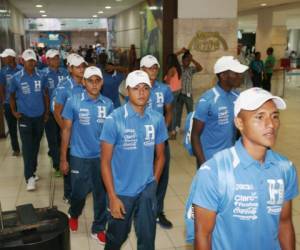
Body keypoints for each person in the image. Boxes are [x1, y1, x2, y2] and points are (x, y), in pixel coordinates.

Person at [190, 87, 298, 250]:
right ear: (239, 123)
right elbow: (203, 235)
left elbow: (284, 223)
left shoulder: (285, 168)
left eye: (274, 116)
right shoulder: (214, 172)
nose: (271, 124)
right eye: (260, 117)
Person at [100, 70, 168, 250]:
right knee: (115, 239)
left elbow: (161, 155)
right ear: (127, 91)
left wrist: (154, 182)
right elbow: (105, 162)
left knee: (147, 240)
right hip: (121, 192)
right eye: (136, 88)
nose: (141, 92)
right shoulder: (114, 120)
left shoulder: (156, 119)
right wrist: (113, 197)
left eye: (145, 88)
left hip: (146, 190)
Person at [60, 66, 113, 244]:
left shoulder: (108, 104)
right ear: (84, 82)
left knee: (101, 194)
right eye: (90, 80)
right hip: (79, 156)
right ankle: (74, 213)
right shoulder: (73, 101)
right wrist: (63, 158)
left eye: (98, 80)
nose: (94, 84)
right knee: (79, 193)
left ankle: (98, 228)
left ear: (102, 82)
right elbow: (66, 130)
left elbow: (112, 134)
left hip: (101, 158)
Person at [191, 56, 248, 167]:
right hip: (210, 161)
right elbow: (195, 136)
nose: (240, 76)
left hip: (230, 160)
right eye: (235, 73)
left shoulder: (238, 97)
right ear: (223, 76)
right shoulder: (207, 100)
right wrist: (203, 165)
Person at [140, 55, 174, 228]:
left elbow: (169, 110)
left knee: (161, 176)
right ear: (141, 69)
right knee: (141, 175)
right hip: (141, 141)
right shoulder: (137, 89)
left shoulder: (165, 89)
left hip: (160, 140)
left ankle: (158, 211)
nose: (153, 69)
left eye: (155, 67)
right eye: (149, 67)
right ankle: (140, 209)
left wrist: (163, 128)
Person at [10, 49, 49, 191]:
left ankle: (32, 170)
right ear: (23, 61)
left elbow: (45, 95)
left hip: (39, 117)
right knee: (27, 147)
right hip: (25, 117)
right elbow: (12, 95)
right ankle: (29, 178)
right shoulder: (16, 78)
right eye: (28, 60)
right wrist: (14, 111)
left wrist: (45, 113)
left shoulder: (42, 76)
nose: (32, 62)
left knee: (36, 146)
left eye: (33, 60)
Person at [53, 53, 87, 202]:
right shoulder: (64, 87)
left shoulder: (87, 84)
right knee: (69, 162)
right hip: (70, 132)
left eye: (83, 66)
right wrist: (66, 129)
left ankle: (83, 188)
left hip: (83, 130)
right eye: (77, 67)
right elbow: (57, 112)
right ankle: (68, 193)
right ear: (70, 69)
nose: (81, 69)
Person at [44, 49, 68, 176]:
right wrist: (46, 112)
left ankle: (64, 161)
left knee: (62, 137)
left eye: (57, 58)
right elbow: (43, 94)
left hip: (64, 111)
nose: (56, 60)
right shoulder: (43, 75)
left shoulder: (65, 73)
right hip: (50, 113)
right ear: (47, 60)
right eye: (53, 58)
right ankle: (57, 165)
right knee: (52, 139)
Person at [0, 49, 22, 156]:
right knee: (12, 127)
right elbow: (2, 87)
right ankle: (16, 148)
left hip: (21, 103)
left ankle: (26, 145)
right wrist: (4, 101)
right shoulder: (3, 71)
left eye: (6, 57)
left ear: (12, 57)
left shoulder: (21, 70)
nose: (3, 59)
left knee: (22, 127)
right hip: (9, 103)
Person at [176, 48, 202, 130]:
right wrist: (180, 52)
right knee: (178, 113)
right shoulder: (179, 68)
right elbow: (172, 58)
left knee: (190, 113)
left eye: (189, 61)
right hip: (180, 94)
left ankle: (191, 129)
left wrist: (192, 59)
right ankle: (176, 129)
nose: (188, 62)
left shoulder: (191, 69)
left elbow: (200, 68)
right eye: (186, 60)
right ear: (182, 60)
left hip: (188, 94)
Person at [164, 53, 182, 139]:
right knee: (174, 111)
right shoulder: (178, 68)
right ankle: (173, 131)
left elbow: (167, 82)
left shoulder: (171, 69)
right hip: (178, 91)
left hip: (172, 92)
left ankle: (173, 132)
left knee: (171, 112)